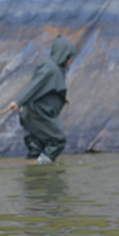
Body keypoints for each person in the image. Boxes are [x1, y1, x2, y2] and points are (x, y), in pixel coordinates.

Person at [9, 35, 76, 164]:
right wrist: (18, 101)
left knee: (36, 147)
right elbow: (34, 86)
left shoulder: (54, 69)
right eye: (69, 57)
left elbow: (45, 89)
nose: (70, 60)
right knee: (58, 140)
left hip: (32, 112)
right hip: (39, 114)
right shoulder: (50, 69)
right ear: (64, 55)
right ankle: (40, 166)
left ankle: (34, 175)